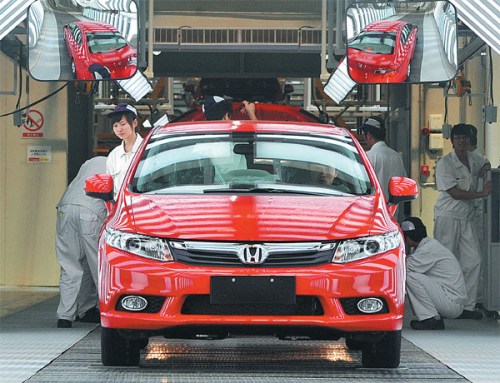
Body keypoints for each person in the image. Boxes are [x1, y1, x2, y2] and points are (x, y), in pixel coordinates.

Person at [434, 123, 492, 319]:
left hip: (466, 218)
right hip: (448, 216)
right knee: (446, 260)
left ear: (469, 141)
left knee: (474, 259)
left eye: (465, 138)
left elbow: (485, 166)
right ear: (452, 141)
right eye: (458, 138)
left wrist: (487, 170)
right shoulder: (445, 163)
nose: (462, 141)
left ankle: (467, 306)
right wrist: (481, 193)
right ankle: (442, 304)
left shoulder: (474, 159)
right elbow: (454, 193)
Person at [55, 156, 108, 328]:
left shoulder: (90, 161)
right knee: (98, 266)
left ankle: (66, 315)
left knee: (70, 264)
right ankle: (108, 313)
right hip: (91, 210)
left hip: (66, 207)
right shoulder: (119, 162)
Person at [401, 217, 467, 330]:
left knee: (410, 277)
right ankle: (431, 316)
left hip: (451, 304)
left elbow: (402, 268)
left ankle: (430, 318)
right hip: (450, 300)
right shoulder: (426, 246)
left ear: (407, 237)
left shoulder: (428, 249)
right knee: (413, 276)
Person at [358, 116, 407, 202]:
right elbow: (404, 186)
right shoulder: (397, 157)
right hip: (394, 213)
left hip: (374, 211)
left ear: (368, 135)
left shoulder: (368, 157)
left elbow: (361, 187)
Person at [106, 103, 144, 197]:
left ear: (134, 123)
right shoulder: (113, 155)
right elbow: (110, 188)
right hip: (120, 207)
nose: (119, 129)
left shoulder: (147, 149)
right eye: (115, 126)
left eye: (123, 124)